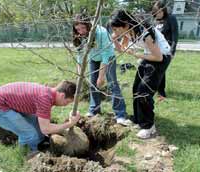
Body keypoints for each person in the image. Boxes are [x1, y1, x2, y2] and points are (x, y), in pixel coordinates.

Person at [109, 9, 171, 138]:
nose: (115, 32)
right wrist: (115, 39)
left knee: (144, 92)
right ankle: (139, 119)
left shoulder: (145, 33)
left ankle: (148, 126)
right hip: (149, 56)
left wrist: (136, 54)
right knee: (136, 88)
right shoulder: (129, 31)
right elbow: (122, 50)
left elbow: (158, 57)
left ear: (125, 24)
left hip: (161, 58)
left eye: (116, 29)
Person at [0, 81, 80, 151]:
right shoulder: (45, 99)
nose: (66, 105)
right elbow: (46, 129)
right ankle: (28, 157)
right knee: (30, 135)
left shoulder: (48, 94)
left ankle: (39, 146)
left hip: (8, 102)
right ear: (62, 95)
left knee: (37, 128)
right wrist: (69, 124)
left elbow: (43, 128)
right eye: (67, 102)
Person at [73, 14, 129, 126]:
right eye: (78, 29)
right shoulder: (79, 36)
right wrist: (80, 73)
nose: (81, 31)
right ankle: (94, 110)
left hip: (108, 58)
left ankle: (120, 114)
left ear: (89, 25)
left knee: (112, 84)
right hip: (94, 58)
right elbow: (80, 55)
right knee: (92, 85)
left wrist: (101, 76)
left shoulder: (101, 32)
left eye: (83, 28)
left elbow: (106, 54)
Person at [152, 0, 179, 101]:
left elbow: (175, 36)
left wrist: (172, 52)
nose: (157, 14)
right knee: (155, 70)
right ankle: (155, 89)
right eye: (155, 12)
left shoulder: (171, 18)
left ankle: (161, 92)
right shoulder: (155, 20)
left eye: (159, 12)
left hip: (166, 50)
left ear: (164, 10)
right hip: (155, 49)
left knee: (160, 70)